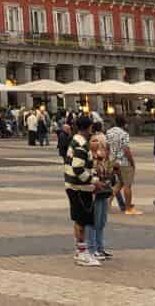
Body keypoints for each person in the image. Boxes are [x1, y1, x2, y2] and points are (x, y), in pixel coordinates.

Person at [63, 114, 98, 266]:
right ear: (89, 127)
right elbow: (78, 167)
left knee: (80, 219)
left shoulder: (76, 140)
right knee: (81, 219)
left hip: (74, 185)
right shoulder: (81, 144)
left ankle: (81, 250)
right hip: (78, 187)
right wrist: (92, 181)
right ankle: (82, 252)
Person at [87, 130, 119, 261]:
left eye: (98, 142)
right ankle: (92, 248)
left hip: (103, 192)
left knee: (101, 221)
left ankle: (100, 248)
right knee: (93, 221)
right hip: (93, 192)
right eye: (93, 141)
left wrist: (112, 171)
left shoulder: (104, 159)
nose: (96, 144)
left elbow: (109, 175)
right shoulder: (90, 158)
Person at [105, 116, 141, 214]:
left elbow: (107, 148)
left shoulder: (109, 132)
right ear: (124, 123)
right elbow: (126, 150)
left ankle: (108, 201)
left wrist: (107, 161)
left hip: (113, 160)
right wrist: (132, 162)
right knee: (127, 185)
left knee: (120, 183)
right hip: (123, 161)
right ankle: (128, 207)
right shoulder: (124, 134)